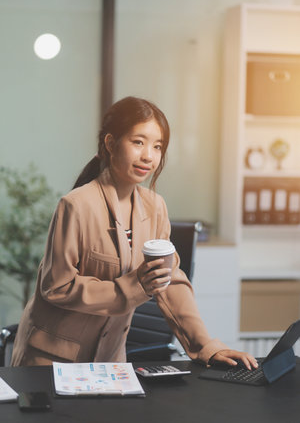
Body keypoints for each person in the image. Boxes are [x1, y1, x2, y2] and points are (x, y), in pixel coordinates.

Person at [11, 96, 257, 370]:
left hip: (110, 358)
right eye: (138, 142)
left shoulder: (156, 207)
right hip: (52, 361)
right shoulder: (76, 205)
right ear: (110, 143)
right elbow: (56, 287)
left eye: (157, 146)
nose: (148, 156)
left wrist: (207, 347)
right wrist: (134, 285)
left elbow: (170, 281)